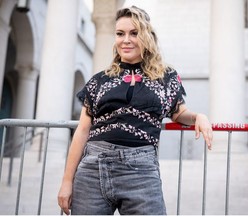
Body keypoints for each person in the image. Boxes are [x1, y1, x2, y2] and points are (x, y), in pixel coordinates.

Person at [58, 5, 213, 215]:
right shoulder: (99, 80)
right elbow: (83, 131)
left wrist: (199, 117)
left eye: (134, 33)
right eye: (120, 34)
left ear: (147, 36)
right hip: (93, 168)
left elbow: (179, 113)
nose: (126, 40)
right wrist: (67, 182)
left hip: (141, 170)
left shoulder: (166, 77)